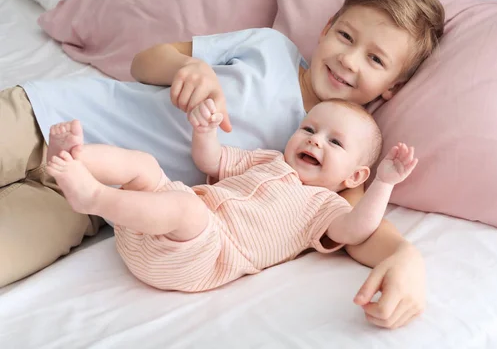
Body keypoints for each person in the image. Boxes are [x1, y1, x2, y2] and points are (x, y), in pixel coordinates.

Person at [0, 0, 444, 328]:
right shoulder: (271, 49)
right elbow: (144, 62)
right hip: (51, 118)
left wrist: (407, 257)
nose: (349, 60)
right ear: (326, 28)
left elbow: (359, 228)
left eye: (376, 60)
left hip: (84, 201)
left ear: (393, 89)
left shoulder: (339, 151)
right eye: (346, 36)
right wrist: (188, 68)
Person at [45, 99, 418, 295]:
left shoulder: (326, 207)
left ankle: (92, 197)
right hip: (150, 224)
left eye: (334, 142)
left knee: (186, 207)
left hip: (205, 255)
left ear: (354, 176)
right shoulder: (268, 159)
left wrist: (384, 183)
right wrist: (205, 131)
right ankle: (71, 158)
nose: (315, 140)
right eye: (309, 128)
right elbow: (211, 160)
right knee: (144, 165)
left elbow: (357, 230)